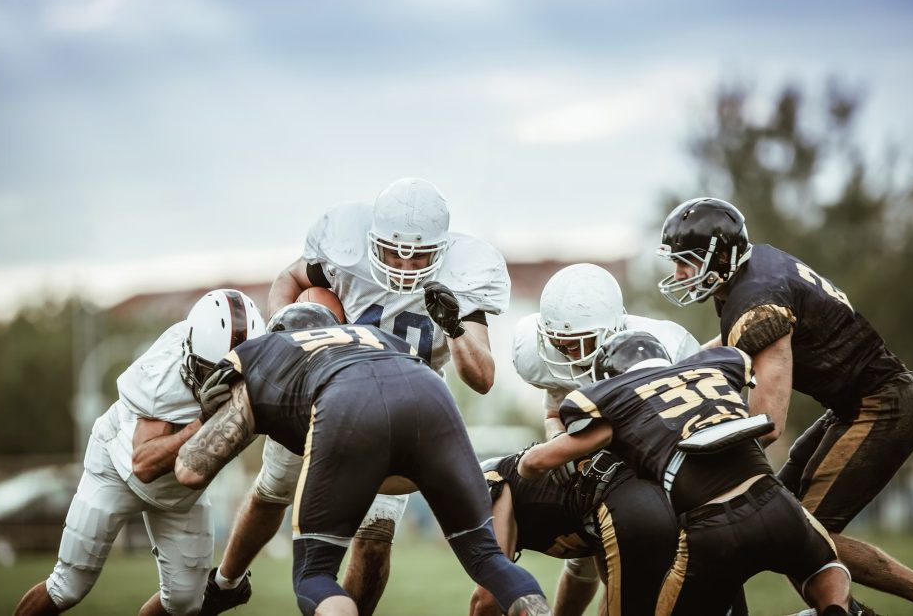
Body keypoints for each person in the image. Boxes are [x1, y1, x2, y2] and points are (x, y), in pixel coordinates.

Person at [204, 177, 510, 615]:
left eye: (420, 254)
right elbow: (289, 279)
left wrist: (455, 326)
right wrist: (280, 334)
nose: (404, 267)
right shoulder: (344, 253)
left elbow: (482, 377)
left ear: (442, 250)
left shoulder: (462, 279)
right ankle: (226, 583)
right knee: (272, 490)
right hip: (323, 394)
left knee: (374, 541)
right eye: (391, 251)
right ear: (370, 241)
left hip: (400, 413)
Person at [656, 197, 913, 614]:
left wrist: (701, 438)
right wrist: (678, 373)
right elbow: (734, 343)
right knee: (778, 518)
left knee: (800, 531)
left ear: (720, 257)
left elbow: (766, 423)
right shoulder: (751, 275)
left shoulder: (759, 303)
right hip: (857, 405)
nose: (678, 274)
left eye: (686, 261)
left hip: (883, 406)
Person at [175, 303, 550, 616]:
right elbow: (404, 472)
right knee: (487, 558)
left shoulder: (263, 351)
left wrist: (211, 417)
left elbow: (191, 470)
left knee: (314, 575)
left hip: (348, 406)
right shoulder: (377, 338)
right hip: (432, 394)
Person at [518, 331, 856, 616]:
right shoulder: (713, 368)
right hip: (776, 501)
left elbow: (536, 464)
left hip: (711, 527)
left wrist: (524, 460)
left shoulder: (616, 396)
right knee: (825, 568)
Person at [12, 290, 265, 616]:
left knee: (186, 604)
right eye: (211, 371)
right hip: (117, 467)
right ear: (189, 352)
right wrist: (201, 423)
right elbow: (143, 464)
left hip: (179, 492)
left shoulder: (259, 373)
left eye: (234, 373)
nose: (223, 382)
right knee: (68, 586)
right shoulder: (162, 375)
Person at [511, 262, 700, 615]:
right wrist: (561, 445)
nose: (568, 352)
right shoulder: (540, 355)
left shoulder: (659, 352)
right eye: (558, 341)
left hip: (663, 462)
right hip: (600, 457)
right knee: (584, 559)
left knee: (640, 554)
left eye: (578, 342)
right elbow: (555, 409)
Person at [469, 448, 678, 616]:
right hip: (639, 502)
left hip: (623, 507)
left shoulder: (491, 480)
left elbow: (487, 598)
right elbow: (583, 574)